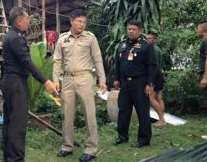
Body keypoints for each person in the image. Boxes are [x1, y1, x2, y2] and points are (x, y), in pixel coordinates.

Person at [1, 6, 58, 162]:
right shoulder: (16, 37)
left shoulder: (10, 35)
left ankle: (8, 157)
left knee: (10, 121)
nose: (28, 21)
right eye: (27, 18)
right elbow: (27, 62)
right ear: (19, 21)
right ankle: (16, 159)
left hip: (9, 81)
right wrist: (45, 80)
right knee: (17, 124)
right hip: (16, 83)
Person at [53, 9, 107, 162]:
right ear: (71, 21)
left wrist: (102, 79)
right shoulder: (63, 39)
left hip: (85, 78)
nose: (82, 24)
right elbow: (57, 61)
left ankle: (91, 149)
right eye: (79, 21)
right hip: (68, 79)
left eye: (84, 22)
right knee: (67, 114)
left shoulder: (90, 38)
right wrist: (55, 80)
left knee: (89, 114)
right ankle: (67, 146)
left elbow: (98, 59)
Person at [113, 20, 157, 148]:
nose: (130, 31)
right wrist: (116, 78)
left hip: (140, 83)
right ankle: (122, 136)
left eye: (133, 29)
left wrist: (150, 84)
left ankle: (143, 139)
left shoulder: (146, 46)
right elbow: (117, 63)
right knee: (123, 110)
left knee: (142, 111)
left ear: (140, 31)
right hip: (125, 83)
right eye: (129, 29)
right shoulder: (122, 45)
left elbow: (152, 66)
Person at [146, 31, 166, 127]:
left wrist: (150, 80)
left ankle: (161, 120)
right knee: (159, 98)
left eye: (150, 38)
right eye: (147, 38)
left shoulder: (153, 49)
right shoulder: (157, 49)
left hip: (155, 75)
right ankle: (162, 120)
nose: (148, 40)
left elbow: (153, 66)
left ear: (155, 39)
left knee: (151, 98)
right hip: (159, 74)